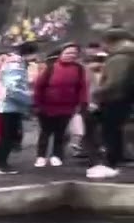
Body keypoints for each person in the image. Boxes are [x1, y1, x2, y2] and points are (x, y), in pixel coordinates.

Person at [32, 44, 89, 168]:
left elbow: (82, 88)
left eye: (74, 53)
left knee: (61, 133)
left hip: (67, 107)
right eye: (68, 53)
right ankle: (41, 156)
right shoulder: (51, 67)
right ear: (61, 54)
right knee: (45, 132)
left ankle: (56, 155)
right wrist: (37, 104)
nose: (71, 55)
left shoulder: (79, 69)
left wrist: (82, 103)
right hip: (47, 106)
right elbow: (38, 86)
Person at [89, 28, 133, 179]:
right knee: (117, 130)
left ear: (111, 41)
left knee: (110, 131)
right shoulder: (127, 55)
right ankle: (115, 160)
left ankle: (111, 163)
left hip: (115, 99)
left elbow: (115, 81)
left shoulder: (119, 57)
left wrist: (96, 94)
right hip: (125, 99)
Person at [0, 51, 32, 174]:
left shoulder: (8, 68)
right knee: (7, 136)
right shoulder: (15, 67)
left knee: (7, 135)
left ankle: (0, 163)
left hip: (9, 106)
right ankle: (0, 165)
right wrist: (28, 99)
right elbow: (13, 89)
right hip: (9, 107)